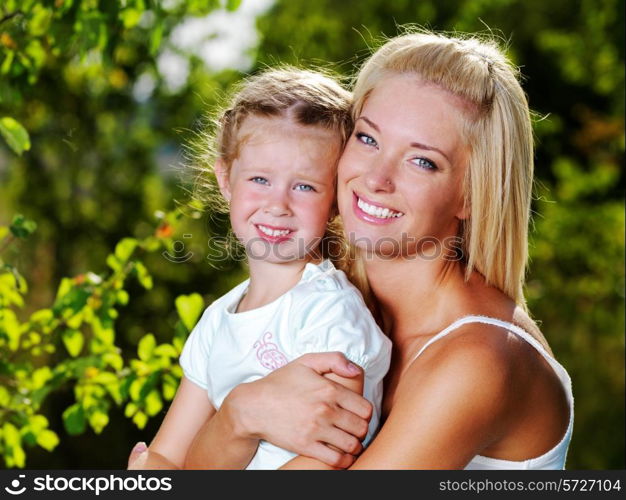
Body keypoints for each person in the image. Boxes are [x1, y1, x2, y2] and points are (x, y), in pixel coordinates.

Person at [129, 30, 574, 470]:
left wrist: (241, 416)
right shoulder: (316, 295)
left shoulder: (478, 359)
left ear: (472, 195)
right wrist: (236, 419)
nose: (376, 178)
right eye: (367, 138)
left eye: (422, 160)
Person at [128, 68, 392, 470]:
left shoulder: (328, 314)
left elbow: (329, 460)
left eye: (304, 186)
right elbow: (166, 456)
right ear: (226, 180)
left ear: (335, 200)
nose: (278, 204)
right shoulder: (218, 322)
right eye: (259, 179)